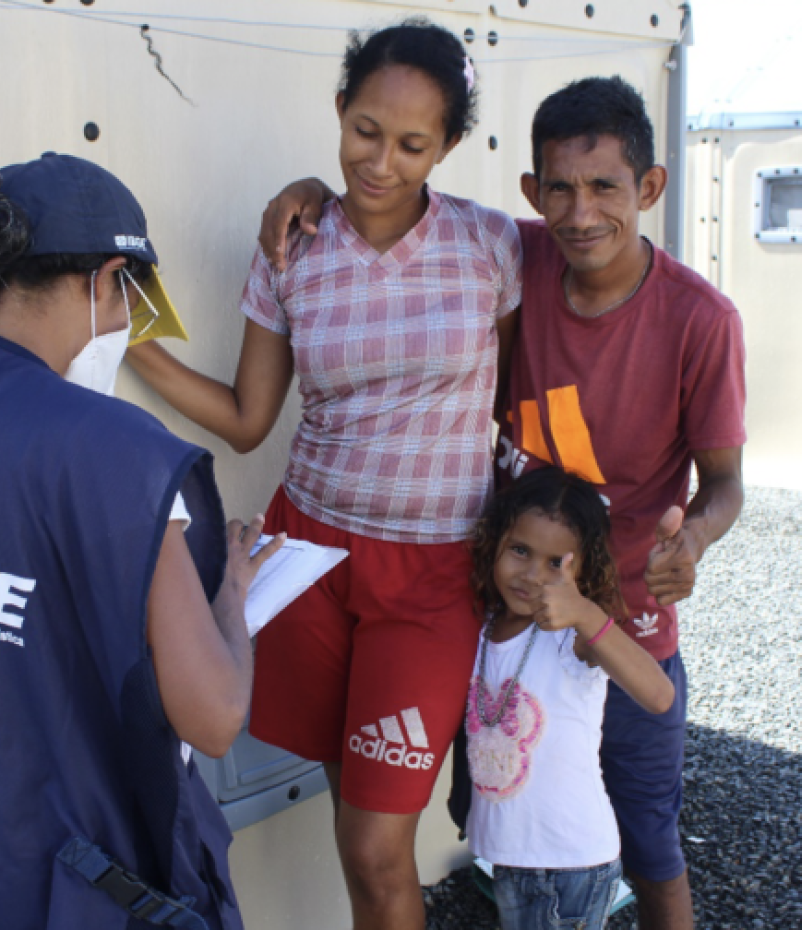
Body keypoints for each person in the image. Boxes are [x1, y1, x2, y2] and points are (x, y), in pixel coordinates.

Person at [259, 77, 746, 930]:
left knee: (650, 845)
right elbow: (396, 204)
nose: (581, 211)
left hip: (617, 622)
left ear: (651, 188)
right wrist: (311, 198)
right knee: (495, 810)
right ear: (532, 192)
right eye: (559, 187)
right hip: (504, 619)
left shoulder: (700, 319)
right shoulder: (510, 252)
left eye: (605, 188)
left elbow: (727, 480)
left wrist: (694, 538)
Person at [125, 19, 520, 930]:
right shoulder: (293, 250)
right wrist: (137, 335)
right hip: (311, 558)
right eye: (364, 131)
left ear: (449, 147)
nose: (380, 161)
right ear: (339, 110)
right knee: (356, 823)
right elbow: (247, 417)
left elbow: (518, 398)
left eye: (414, 144)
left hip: (432, 578)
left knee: (380, 849)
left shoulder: (494, 248)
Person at [0, 153, 282, 930]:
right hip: (61, 888)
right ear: (108, 279)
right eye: (131, 299)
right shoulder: (117, 450)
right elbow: (212, 716)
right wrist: (231, 598)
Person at [465, 467, 674, 930]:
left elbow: (659, 696)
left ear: (580, 567)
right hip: (515, 861)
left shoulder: (570, 639)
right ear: (496, 541)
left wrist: (584, 611)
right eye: (520, 550)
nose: (532, 574)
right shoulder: (486, 627)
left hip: (567, 865)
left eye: (555, 561)